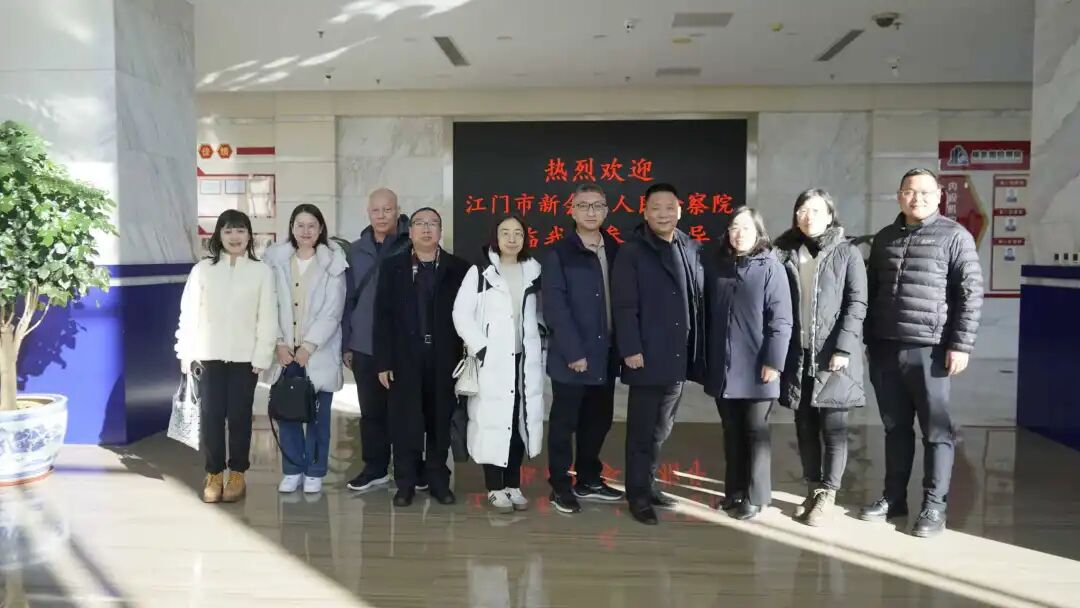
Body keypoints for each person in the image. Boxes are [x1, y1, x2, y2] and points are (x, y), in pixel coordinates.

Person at [860, 168, 983, 538]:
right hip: (886, 348)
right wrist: (869, 341)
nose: (917, 199)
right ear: (900, 195)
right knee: (895, 428)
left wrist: (961, 344)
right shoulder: (885, 238)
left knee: (936, 431)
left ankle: (934, 506)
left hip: (930, 350)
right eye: (910, 192)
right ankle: (894, 498)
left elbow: (970, 294)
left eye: (926, 192)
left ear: (939, 196)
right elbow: (871, 292)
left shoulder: (955, 237)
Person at [611, 183, 706, 525]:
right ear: (645, 212)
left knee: (661, 429)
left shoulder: (690, 246)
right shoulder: (632, 251)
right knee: (641, 431)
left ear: (679, 210)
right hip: (646, 356)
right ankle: (637, 495)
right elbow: (624, 305)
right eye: (656, 208)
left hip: (679, 356)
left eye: (669, 207)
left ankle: (648, 485)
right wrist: (631, 349)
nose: (663, 214)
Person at [774, 190, 867, 527]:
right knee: (804, 426)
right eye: (802, 209)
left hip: (833, 354)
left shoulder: (846, 252)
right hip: (798, 353)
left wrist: (843, 348)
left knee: (834, 428)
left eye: (816, 210)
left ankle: (828, 493)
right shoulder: (784, 252)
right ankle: (813, 487)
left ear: (830, 216)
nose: (808, 216)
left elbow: (857, 303)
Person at [176, 209, 277, 503]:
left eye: (240, 230)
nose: (235, 237)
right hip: (208, 356)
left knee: (240, 417)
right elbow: (189, 314)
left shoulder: (261, 272)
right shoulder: (202, 270)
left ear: (249, 236)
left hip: (246, 360)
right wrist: (186, 352)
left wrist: (262, 355)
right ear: (219, 236)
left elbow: (267, 317)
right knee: (211, 417)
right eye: (228, 231)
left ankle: (237, 473)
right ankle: (214, 472)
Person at [374, 208, 470, 507]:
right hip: (404, 359)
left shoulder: (460, 269)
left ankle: (439, 481)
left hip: (445, 359)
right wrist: (383, 362)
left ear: (440, 231)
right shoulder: (392, 267)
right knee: (406, 424)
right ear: (411, 231)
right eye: (420, 224)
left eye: (433, 224)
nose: (426, 229)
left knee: (440, 423)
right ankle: (405, 483)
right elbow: (382, 317)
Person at [703, 207, 792, 521]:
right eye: (734, 228)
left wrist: (774, 362)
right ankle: (735, 492)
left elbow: (781, 321)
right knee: (732, 431)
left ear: (758, 233)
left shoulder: (771, 268)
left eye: (746, 228)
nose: (739, 234)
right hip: (724, 368)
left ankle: (757, 496)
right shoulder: (720, 266)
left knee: (756, 432)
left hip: (758, 367)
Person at [453, 214, 545, 514]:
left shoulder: (534, 271)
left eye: (518, 233)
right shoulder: (481, 273)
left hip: (524, 362)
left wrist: (540, 338)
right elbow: (461, 314)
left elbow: (541, 314)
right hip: (492, 363)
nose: (512, 239)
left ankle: (513, 484)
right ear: (495, 237)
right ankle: (494, 487)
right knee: (493, 423)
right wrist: (483, 349)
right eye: (505, 233)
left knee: (518, 423)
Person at [542, 183, 623, 514]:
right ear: (572, 211)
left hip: (606, 354)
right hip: (571, 357)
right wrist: (574, 352)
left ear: (606, 211)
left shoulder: (617, 249)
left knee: (598, 421)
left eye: (597, 205)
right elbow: (555, 309)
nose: (591, 212)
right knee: (564, 425)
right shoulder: (559, 253)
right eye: (584, 205)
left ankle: (589, 479)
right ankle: (560, 486)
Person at [264, 204, 348, 495]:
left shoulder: (333, 263)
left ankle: (314, 470)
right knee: (287, 413)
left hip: (318, 353)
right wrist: (279, 342)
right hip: (285, 352)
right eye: (299, 225)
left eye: (312, 225)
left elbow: (333, 311)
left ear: (321, 228)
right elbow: (268, 305)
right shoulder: (274, 261)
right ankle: (292, 470)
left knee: (318, 418)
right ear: (291, 228)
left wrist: (309, 346)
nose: (305, 231)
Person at [343, 188, 412, 492]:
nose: (382, 216)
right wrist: (347, 343)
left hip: (402, 345)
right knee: (371, 412)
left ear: (397, 210)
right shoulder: (355, 251)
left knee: (405, 411)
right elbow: (345, 299)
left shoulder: (412, 244)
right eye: (376, 210)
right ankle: (375, 468)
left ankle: (409, 468)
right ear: (368, 213)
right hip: (364, 344)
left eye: (388, 209)